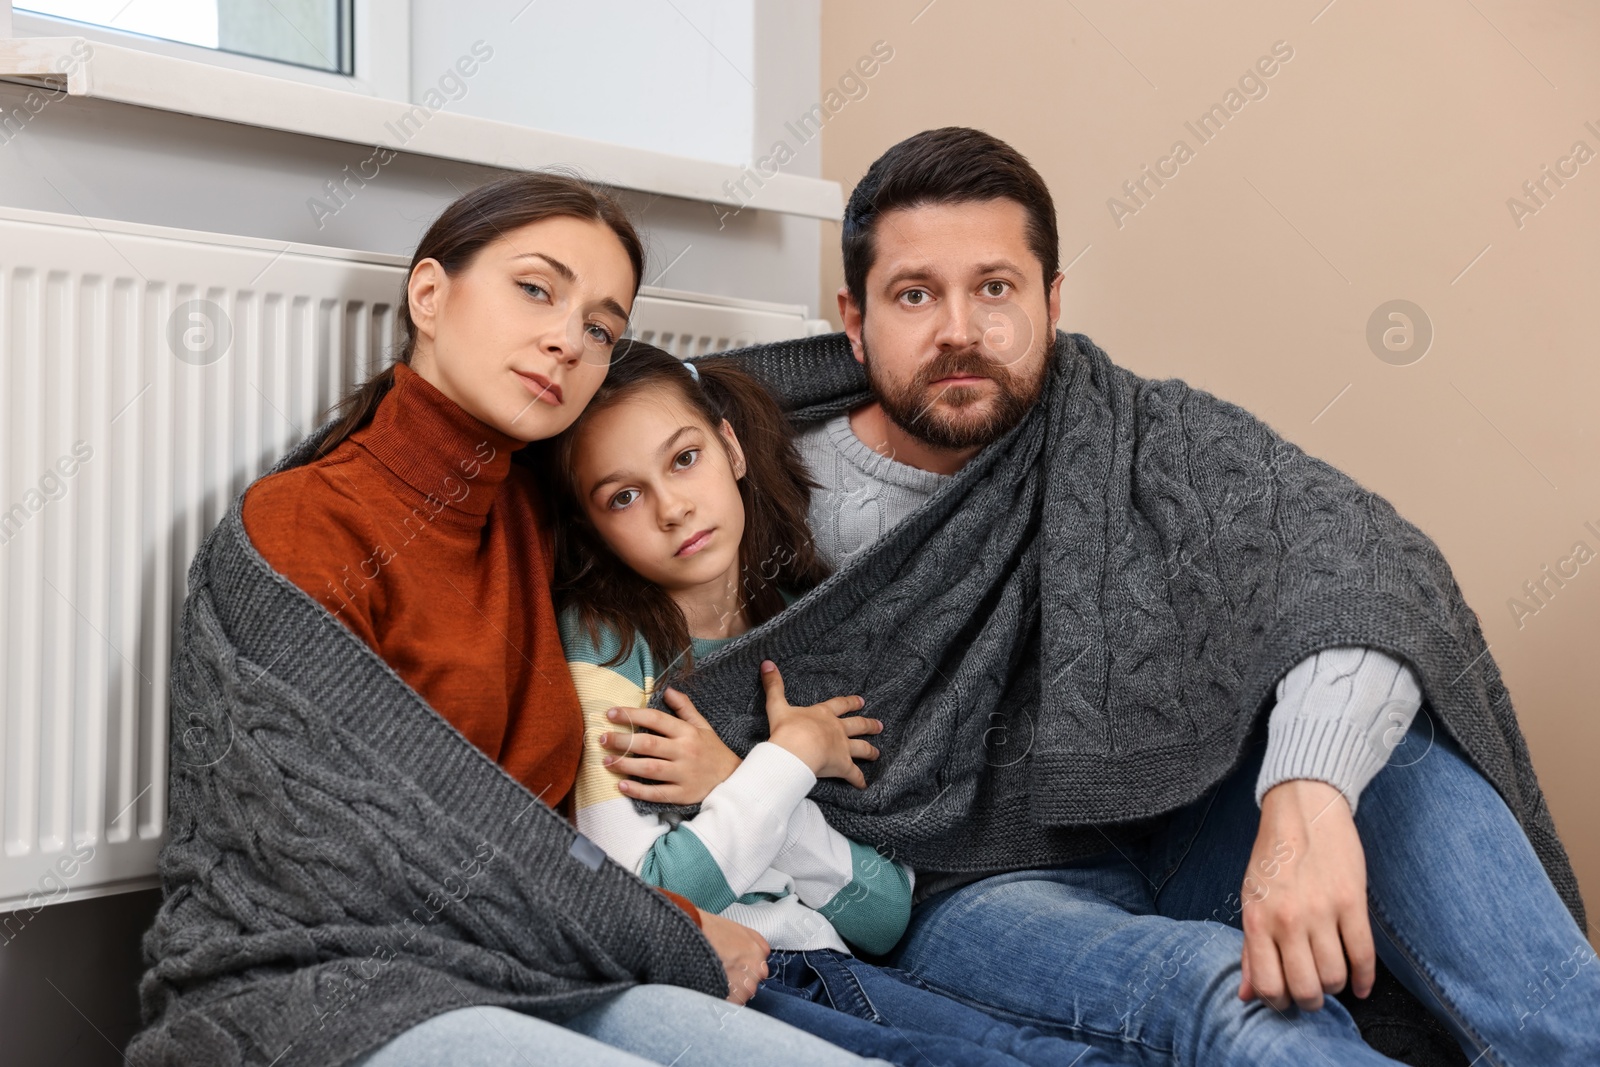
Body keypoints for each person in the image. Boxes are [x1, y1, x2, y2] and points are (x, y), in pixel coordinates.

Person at [671, 127, 1596, 1066]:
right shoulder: (745, 488)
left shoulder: (1124, 428)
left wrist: (1305, 799)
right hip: (967, 888)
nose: (959, 329)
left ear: (1052, 301)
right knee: (1222, 991)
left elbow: (1361, 562)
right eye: (916, 294)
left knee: (1387, 751)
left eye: (996, 288)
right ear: (854, 316)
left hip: (1184, 818)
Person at [131, 172, 878, 1067]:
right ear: (430, 293)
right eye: (536, 288)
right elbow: (365, 842)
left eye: (602, 326)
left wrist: (933, 356)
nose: (567, 339)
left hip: (540, 967)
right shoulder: (299, 528)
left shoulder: (545, 508)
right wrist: (670, 921)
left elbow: (705, 402)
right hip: (324, 986)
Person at [541, 339, 1124, 1065]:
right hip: (741, 977)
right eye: (622, 496)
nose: (671, 508)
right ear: (592, 526)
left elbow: (883, 911)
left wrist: (736, 776)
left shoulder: (805, 624)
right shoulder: (607, 650)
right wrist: (788, 760)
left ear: (731, 446)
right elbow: (656, 897)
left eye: (684, 458)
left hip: (836, 962)